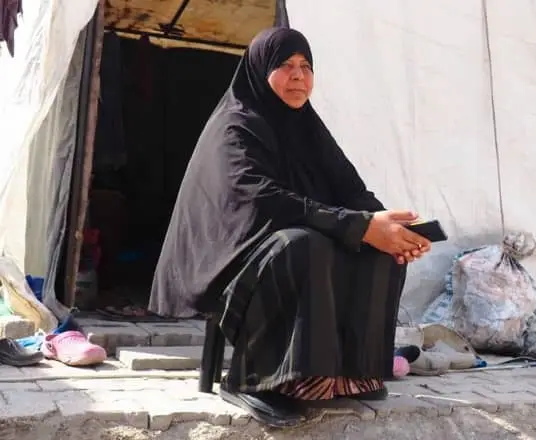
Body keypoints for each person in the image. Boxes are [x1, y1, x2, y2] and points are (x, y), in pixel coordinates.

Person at [148, 27, 432, 426]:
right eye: (285, 65)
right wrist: (361, 225)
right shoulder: (236, 126)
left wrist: (393, 228)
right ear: (260, 71)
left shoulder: (307, 127)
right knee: (304, 245)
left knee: (377, 249)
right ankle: (252, 380)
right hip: (229, 259)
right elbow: (265, 200)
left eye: (306, 66)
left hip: (280, 245)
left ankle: (348, 372)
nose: (298, 75)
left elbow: (350, 190)